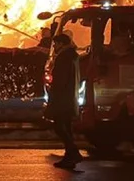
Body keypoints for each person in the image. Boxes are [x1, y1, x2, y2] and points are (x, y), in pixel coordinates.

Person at [45, 33, 83, 169]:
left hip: (62, 99)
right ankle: (69, 157)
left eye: (56, 44)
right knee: (66, 127)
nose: (54, 46)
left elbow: (60, 80)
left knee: (59, 126)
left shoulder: (63, 57)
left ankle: (73, 152)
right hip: (70, 98)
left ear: (61, 43)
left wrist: (53, 96)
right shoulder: (73, 56)